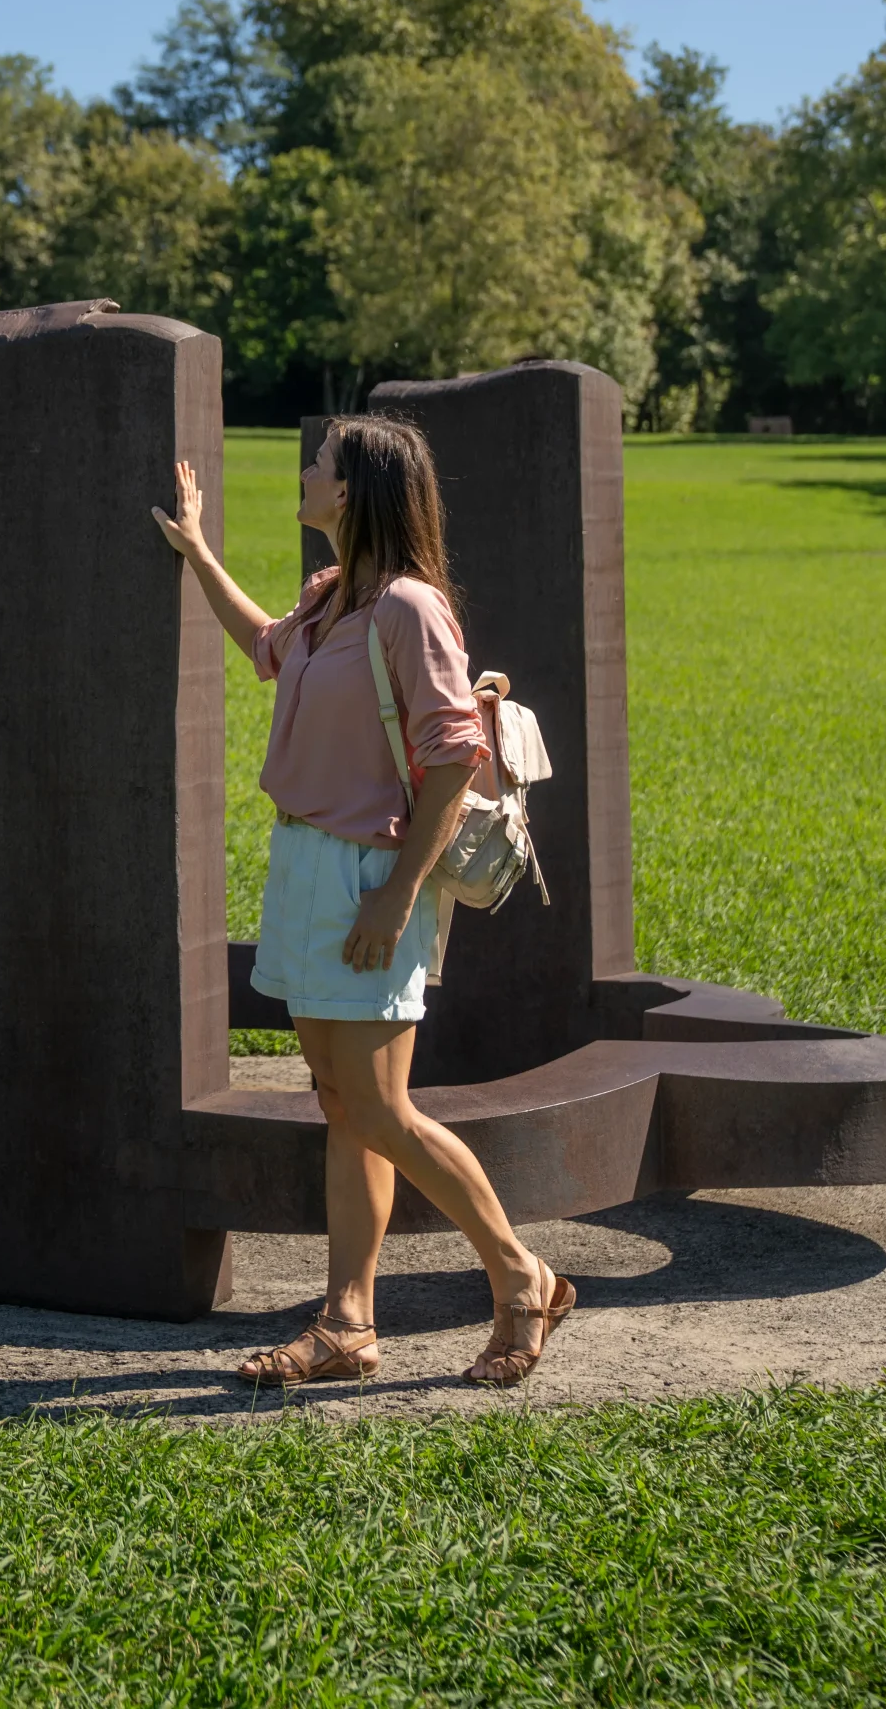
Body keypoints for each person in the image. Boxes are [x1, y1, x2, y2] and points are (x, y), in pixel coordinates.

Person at [152, 415, 575, 1389]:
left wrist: (396, 894)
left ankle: (520, 1276)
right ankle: (348, 1323)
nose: (304, 475)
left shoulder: (411, 611)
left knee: (381, 1106)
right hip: (304, 864)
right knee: (343, 1103)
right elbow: (263, 647)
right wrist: (197, 548)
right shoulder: (330, 596)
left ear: (351, 491)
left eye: (319, 465)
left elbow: (456, 754)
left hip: (370, 878)